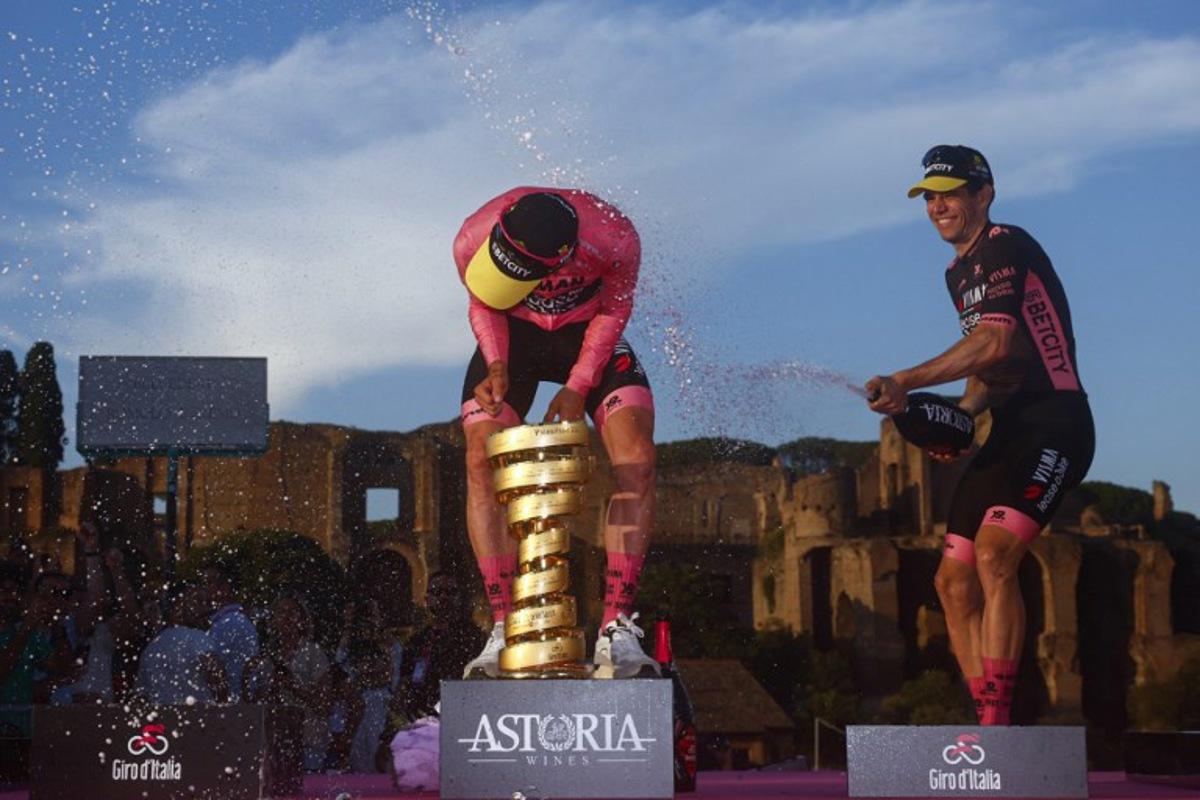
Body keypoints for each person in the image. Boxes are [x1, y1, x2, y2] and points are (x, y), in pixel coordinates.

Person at [866, 145, 1094, 725]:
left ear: (983, 194)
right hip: (1011, 429)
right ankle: (984, 718)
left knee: (995, 558)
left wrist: (906, 379)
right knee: (952, 581)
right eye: (930, 197)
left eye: (950, 193)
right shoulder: (956, 272)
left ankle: (998, 731)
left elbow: (993, 341)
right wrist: (962, 416)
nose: (938, 206)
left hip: (1058, 423)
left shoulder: (1006, 245)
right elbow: (994, 364)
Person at [455, 187, 659, 679]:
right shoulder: (471, 236)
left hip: (588, 333)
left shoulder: (616, 238)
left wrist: (578, 386)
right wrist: (497, 362)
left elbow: (613, 313)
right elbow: (484, 302)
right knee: (481, 459)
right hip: (514, 338)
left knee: (637, 458)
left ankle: (617, 627)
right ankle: (503, 626)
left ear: (563, 257)